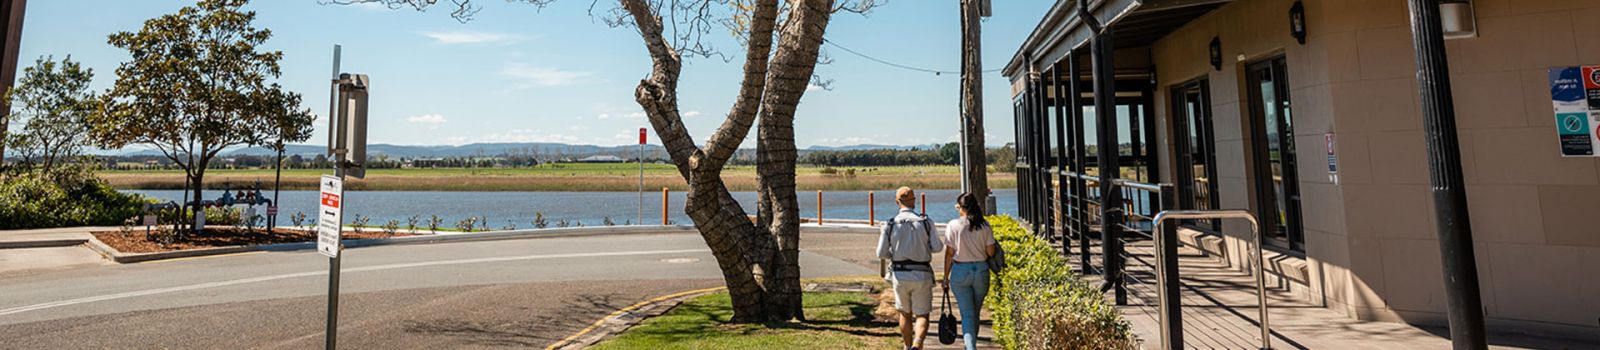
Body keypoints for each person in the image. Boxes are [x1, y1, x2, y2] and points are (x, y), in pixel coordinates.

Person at [877, 186, 944, 350]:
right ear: (914, 201)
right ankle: (918, 343)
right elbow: (937, 247)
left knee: (904, 313)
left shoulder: (890, 224)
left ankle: (907, 346)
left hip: (900, 275)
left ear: (896, 202)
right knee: (922, 314)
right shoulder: (925, 221)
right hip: (921, 273)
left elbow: (881, 253)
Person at [940, 192, 996, 350]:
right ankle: (970, 346)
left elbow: (949, 253)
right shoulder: (984, 225)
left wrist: (945, 277)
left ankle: (970, 348)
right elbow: (991, 252)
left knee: (967, 314)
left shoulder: (953, 225)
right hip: (981, 271)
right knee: (974, 313)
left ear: (962, 208)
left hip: (960, 271)